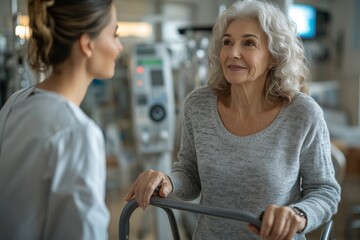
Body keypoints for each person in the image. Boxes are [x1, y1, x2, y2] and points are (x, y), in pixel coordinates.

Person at [125, 0, 341, 239]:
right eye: (227, 42)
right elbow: (189, 175)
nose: (233, 52)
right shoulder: (198, 106)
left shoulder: (302, 113)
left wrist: (298, 216)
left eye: (248, 43)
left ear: (273, 57)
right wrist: (167, 181)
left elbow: (325, 191)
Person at [0, 0, 123, 239]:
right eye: (114, 34)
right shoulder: (77, 133)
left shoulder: (16, 102)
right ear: (87, 45)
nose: (119, 47)